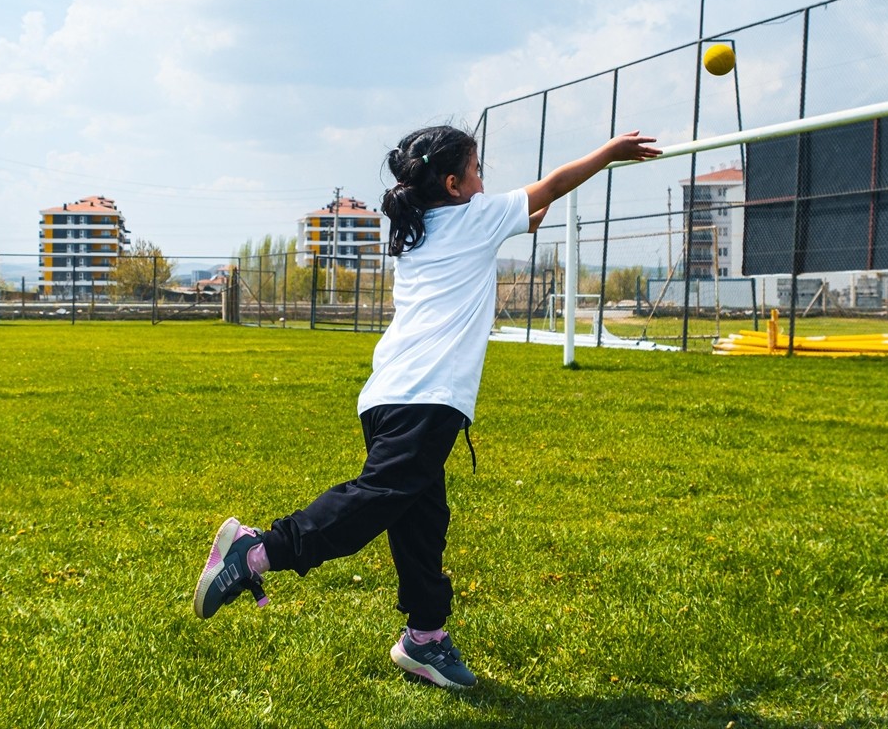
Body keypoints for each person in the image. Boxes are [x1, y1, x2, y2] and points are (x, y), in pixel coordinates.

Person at [192, 125, 661, 689]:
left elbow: (509, 220)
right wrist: (609, 153)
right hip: (426, 398)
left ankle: (424, 638)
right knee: (375, 500)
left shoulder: (421, 231)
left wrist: (517, 217)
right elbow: (555, 184)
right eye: (478, 169)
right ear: (453, 183)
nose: (485, 180)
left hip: (389, 396)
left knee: (421, 518)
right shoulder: (476, 219)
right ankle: (256, 552)